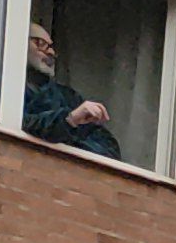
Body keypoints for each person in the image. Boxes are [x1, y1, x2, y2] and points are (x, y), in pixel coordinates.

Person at [21, 24, 123, 158]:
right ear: (19, 42)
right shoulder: (5, 89)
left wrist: (70, 138)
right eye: (41, 44)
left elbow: (108, 147)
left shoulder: (67, 97)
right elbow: (21, 123)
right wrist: (69, 120)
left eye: (51, 47)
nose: (51, 53)